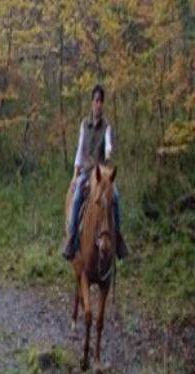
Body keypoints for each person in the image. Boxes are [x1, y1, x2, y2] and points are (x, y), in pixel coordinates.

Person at [62, 84, 129, 260]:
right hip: (86, 171)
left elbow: (108, 144)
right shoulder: (84, 124)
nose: (98, 104)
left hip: (101, 173)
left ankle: (118, 239)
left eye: (101, 101)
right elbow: (79, 150)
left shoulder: (106, 126)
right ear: (92, 102)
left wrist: (108, 153)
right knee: (76, 197)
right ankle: (71, 239)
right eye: (96, 101)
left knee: (115, 197)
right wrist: (75, 175)